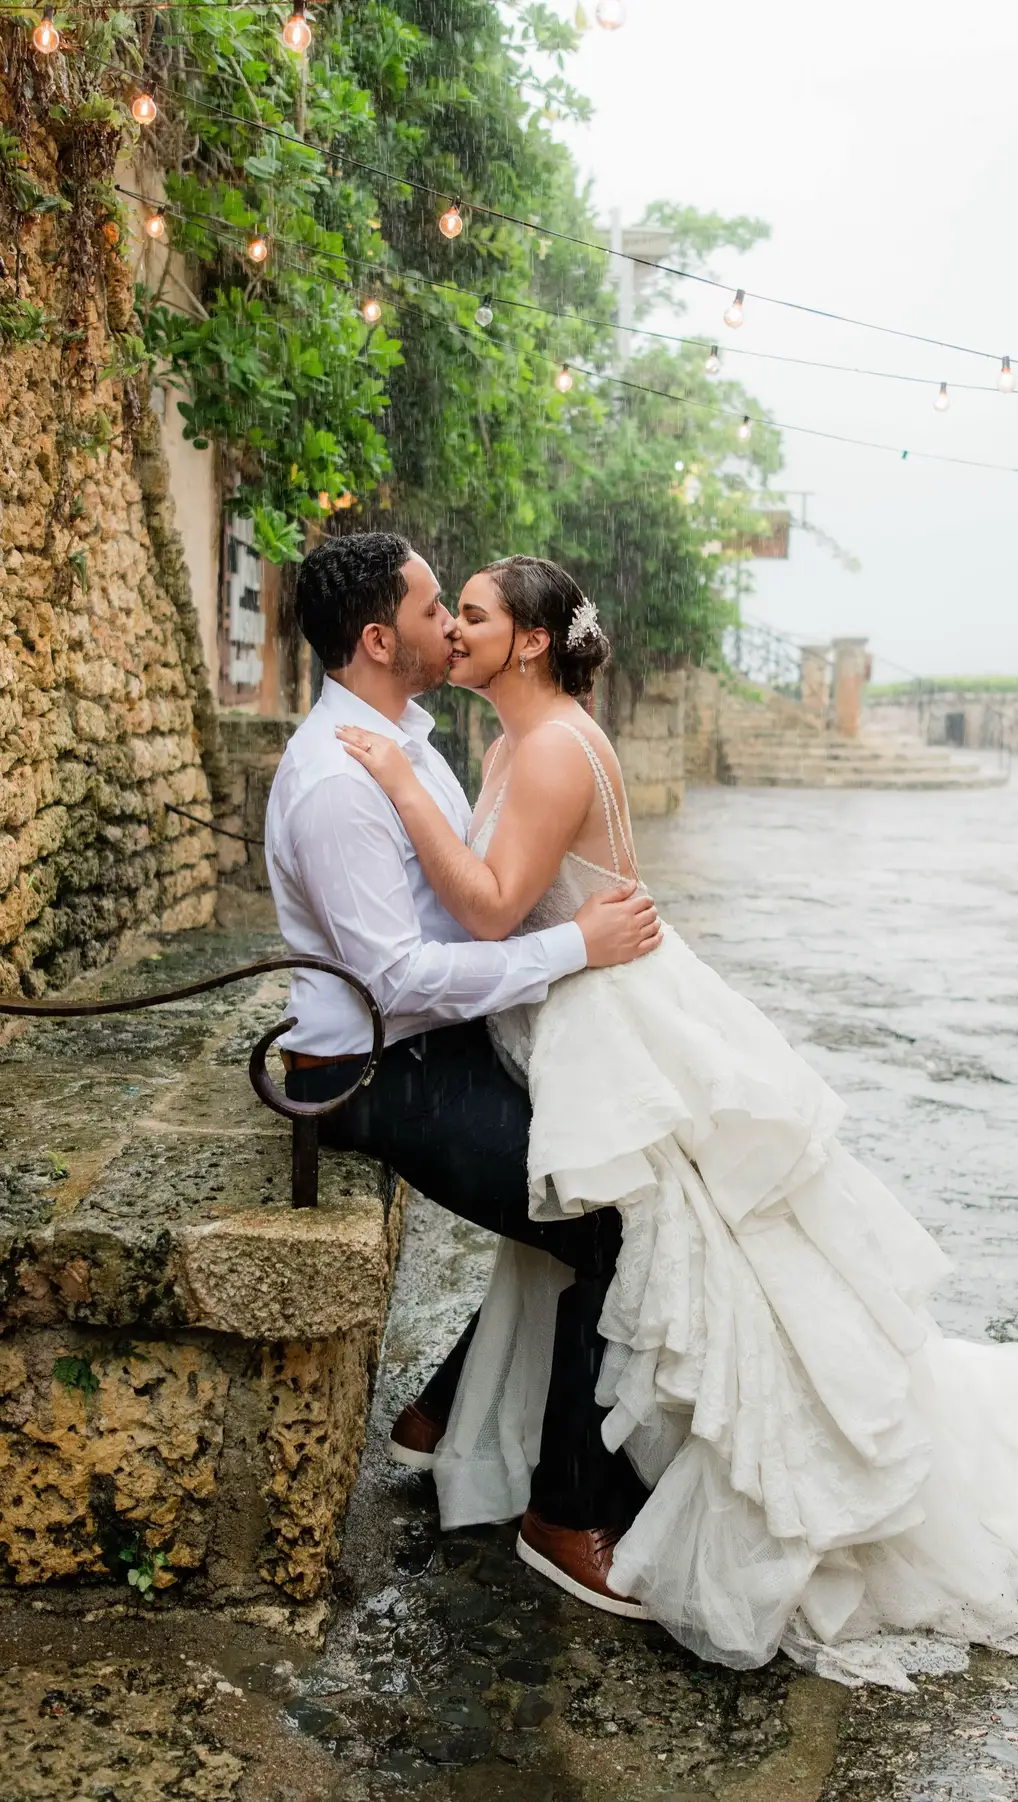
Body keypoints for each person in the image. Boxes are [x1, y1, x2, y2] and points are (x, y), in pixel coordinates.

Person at [339, 551, 1018, 1690]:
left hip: (612, 1016)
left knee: (655, 1227)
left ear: (531, 643)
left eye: (478, 617)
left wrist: (401, 791)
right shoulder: (508, 741)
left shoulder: (551, 750)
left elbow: (496, 906)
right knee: (584, 1213)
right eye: (451, 616)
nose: (456, 632)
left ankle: (557, 1481)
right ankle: (466, 1416)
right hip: (567, 1009)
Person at [264, 533, 661, 1617]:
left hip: (435, 1041)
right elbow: (398, 975)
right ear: (382, 638)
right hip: (373, 1073)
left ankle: (440, 1413)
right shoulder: (341, 778)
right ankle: (566, 1508)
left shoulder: (408, 737)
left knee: (612, 1166)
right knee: (609, 1220)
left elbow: (469, 892)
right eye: (437, 607)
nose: (452, 624)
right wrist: (575, 946)